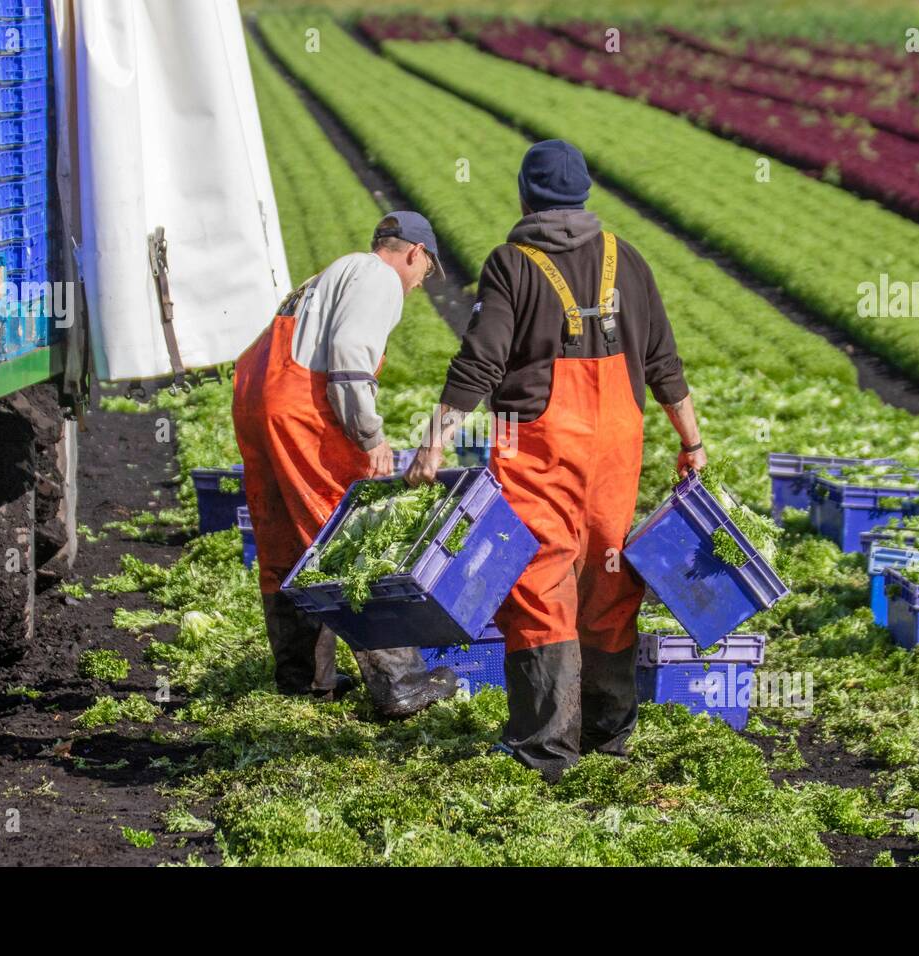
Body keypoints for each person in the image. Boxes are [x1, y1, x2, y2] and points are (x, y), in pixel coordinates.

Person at [407, 141, 706, 780]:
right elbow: (664, 364)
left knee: (540, 581)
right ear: (585, 195)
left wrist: (434, 439)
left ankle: (546, 747)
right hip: (618, 446)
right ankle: (609, 731)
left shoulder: (512, 265)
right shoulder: (628, 259)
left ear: (526, 197)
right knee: (607, 575)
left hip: (537, 445)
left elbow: (479, 364)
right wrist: (693, 441)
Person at [233, 212, 458, 718]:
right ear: (414, 254)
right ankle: (398, 682)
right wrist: (369, 434)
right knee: (346, 538)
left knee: (286, 543)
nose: (421, 284)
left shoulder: (326, 277)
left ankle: (303, 681)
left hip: (256, 401)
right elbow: (350, 355)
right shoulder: (378, 276)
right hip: (301, 411)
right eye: (425, 272)